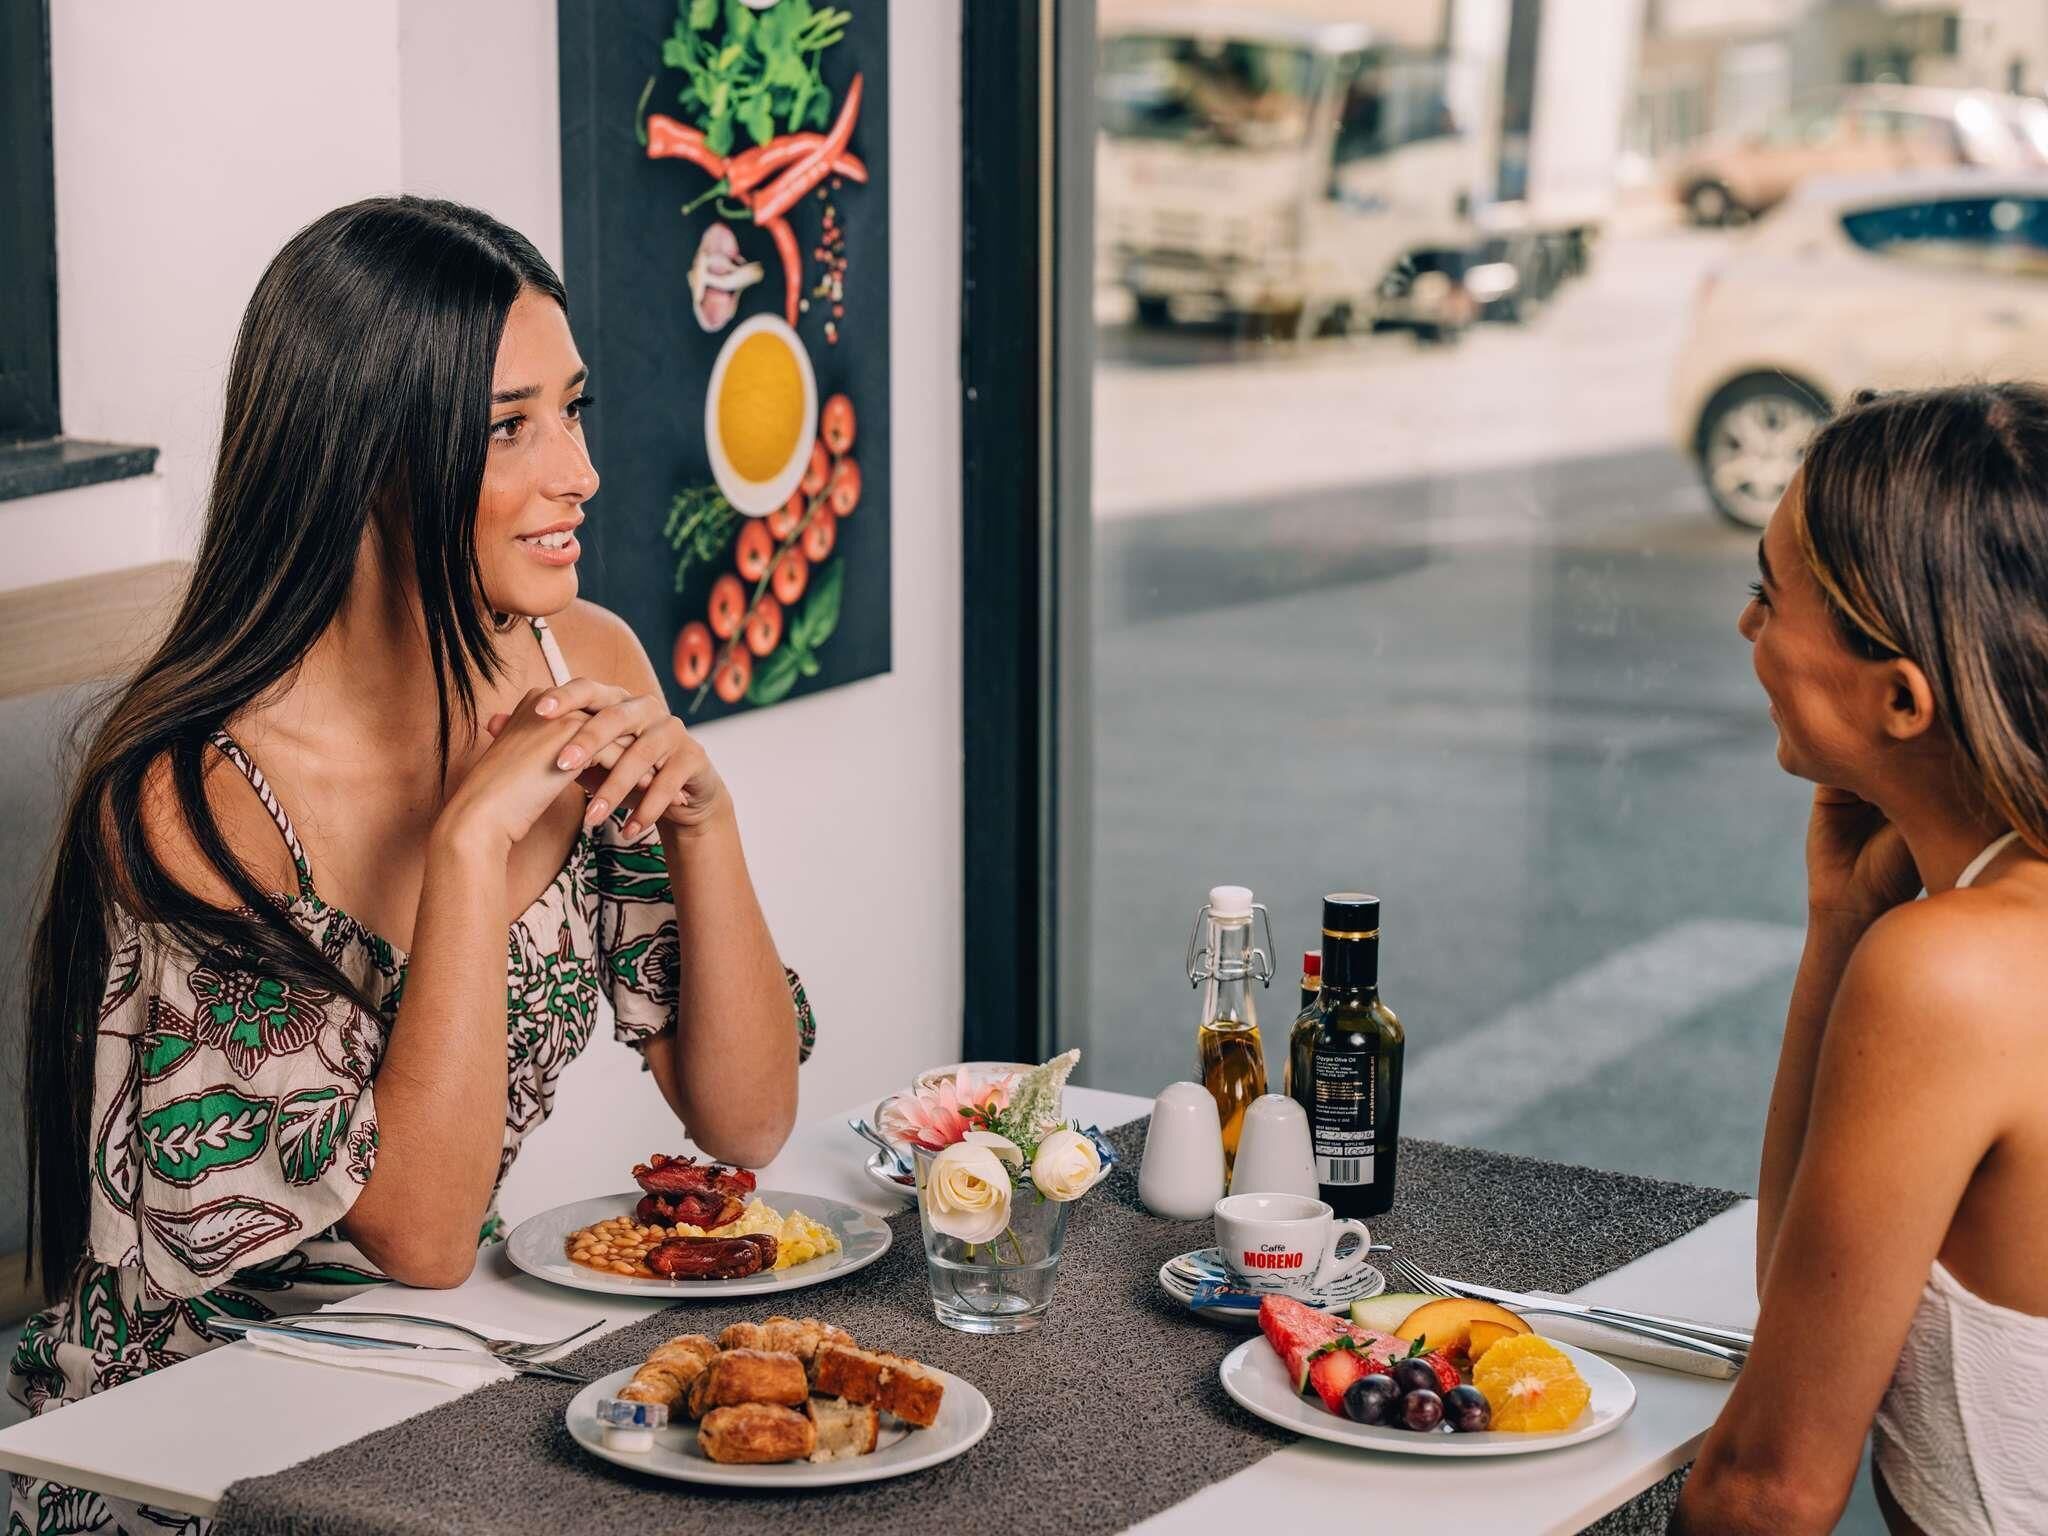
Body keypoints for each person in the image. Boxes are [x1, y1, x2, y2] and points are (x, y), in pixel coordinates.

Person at [8, 197, 813, 1534]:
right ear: (370, 459)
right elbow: (421, 1236)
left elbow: (744, 1123)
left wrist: (704, 825)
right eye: (511, 428)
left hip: (435, 1391)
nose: (581, 473)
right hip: (185, 1450)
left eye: (575, 409)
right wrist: (468, 839)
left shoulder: (582, 666)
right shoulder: (200, 796)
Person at [1676, 384, 2048, 1536]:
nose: (1746, 630)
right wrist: (1837, 930)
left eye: (1765, 594)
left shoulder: (1951, 973)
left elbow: (1771, 1486)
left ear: (1899, 698)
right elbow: (1799, 1300)